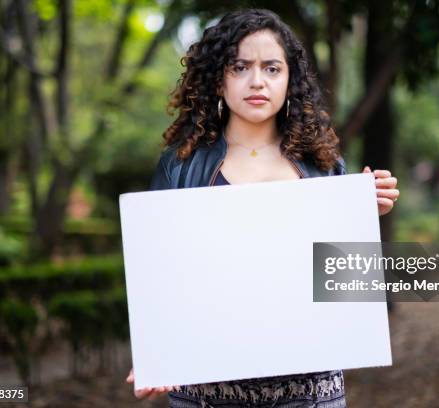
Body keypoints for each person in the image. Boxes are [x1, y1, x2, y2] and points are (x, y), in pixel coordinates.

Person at [126, 8, 399, 407]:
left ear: (290, 80)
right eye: (240, 67)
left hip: (309, 393)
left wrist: (363, 217)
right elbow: (157, 276)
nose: (257, 81)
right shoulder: (180, 166)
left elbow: (340, 284)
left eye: (272, 69)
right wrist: (152, 354)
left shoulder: (323, 166)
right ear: (218, 79)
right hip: (206, 393)